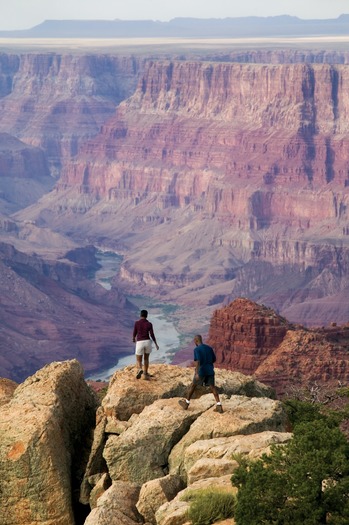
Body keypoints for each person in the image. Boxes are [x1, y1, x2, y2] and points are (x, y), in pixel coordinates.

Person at [178, 334, 223, 413]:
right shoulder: (209, 348)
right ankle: (219, 405)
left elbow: (198, 361)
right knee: (213, 387)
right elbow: (214, 359)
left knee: (193, 386)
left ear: (196, 340)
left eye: (194, 340)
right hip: (210, 371)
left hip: (201, 371)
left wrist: (197, 373)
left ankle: (186, 404)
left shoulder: (197, 349)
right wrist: (208, 364)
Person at [132, 309, 159, 380]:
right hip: (147, 342)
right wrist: (156, 344)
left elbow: (135, 332)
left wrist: (133, 338)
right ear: (147, 316)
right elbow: (152, 334)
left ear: (140, 315)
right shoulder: (149, 324)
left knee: (138, 359)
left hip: (140, 342)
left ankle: (140, 369)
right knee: (146, 358)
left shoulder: (137, 323)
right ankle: (146, 373)